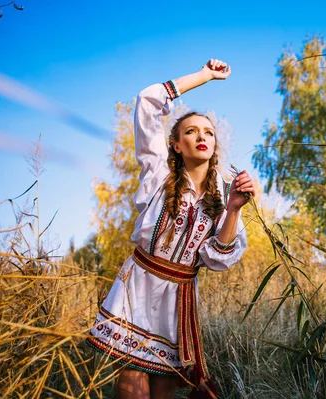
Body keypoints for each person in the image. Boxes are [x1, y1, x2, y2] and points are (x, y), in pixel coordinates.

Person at [87, 59, 255, 399]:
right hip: (138, 286)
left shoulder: (224, 193)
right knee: (134, 385)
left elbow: (215, 258)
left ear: (214, 146)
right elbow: (147, 101)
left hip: (178, 298)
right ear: (176, 145)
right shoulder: (157, 174)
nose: (201, 136)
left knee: (163, 390)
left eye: (208, 132)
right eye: (191, 131)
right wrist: (205, 76)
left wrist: (235, 208)